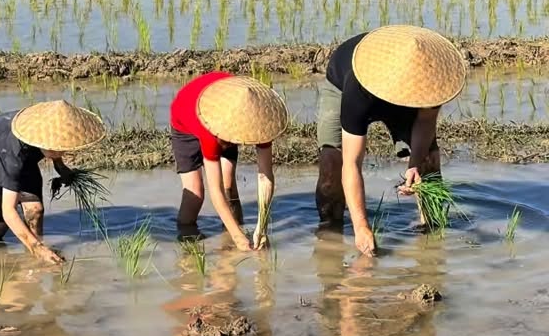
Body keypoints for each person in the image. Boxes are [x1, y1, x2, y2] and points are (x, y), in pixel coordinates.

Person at [315, 25, 466, 255]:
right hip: (345, 84)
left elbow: (425, 122)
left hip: (408, 88)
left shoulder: (431, 79)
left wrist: (414, 163)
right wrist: (362, 226)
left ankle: (433, 241)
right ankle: (330, 235)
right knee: (331, 164)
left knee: (429, 161)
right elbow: (351, 164)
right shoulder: (358, 90)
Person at [0, 99, 105, 265]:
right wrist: (37, 247)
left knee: (35, 210)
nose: (62, 150)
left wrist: (60, 167)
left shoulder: (47, 129)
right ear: (43, 142)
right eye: (57, 148)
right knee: (0, 225)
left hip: (22, 152)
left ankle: (33, 259)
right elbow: (8, 210)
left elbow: (56, 142)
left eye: (63, 147)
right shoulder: (14, 155)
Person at [170, 73, 288, 252]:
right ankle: (186, 242)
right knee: (195, 193)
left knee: (229, 184)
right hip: (185, 120)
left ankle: (228, 242)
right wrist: (239, 237)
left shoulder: (260, 120)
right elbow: (214, 190)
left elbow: (265, 176)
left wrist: (261, 227)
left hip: (232, 112)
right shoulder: (210, 132)